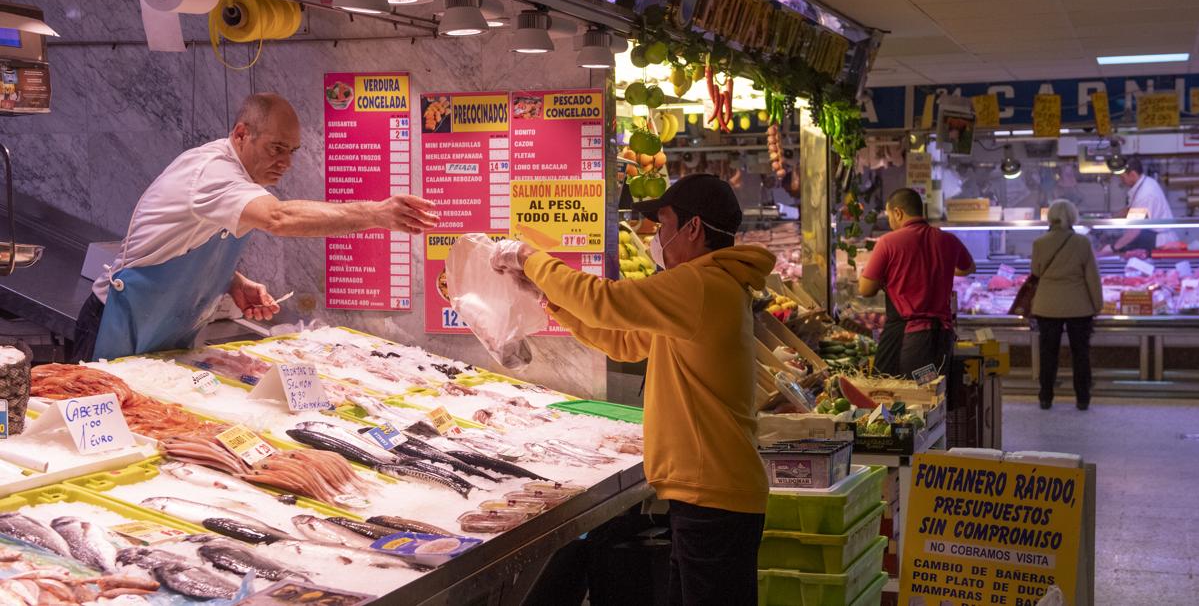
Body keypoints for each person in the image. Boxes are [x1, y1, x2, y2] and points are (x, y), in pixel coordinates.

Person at [492, 174, 774, 606]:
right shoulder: (705, 289)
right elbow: (623, 341)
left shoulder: (699, 284)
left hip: (714, 494)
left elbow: (604, 299)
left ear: (693, 227)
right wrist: (552, 303)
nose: (657, 237)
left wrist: (530, 258)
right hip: (708, 491)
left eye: (663, 224)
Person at [71, 93, 439, 362]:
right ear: (242, 133)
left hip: (164, 331)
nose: (285, 163)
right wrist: (376, 214)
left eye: (292, 151)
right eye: (277, 148)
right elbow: (279, 219)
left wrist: (232, 281)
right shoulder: (212, 172)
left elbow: (183, 240)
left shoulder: (240, 177)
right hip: (115, 324)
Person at [858, 188, 973, 378]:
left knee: (899, 396)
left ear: (898, 212)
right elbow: (968, 268)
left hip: (908, 338)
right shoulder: (948, 239)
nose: (890, 222)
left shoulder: (889, 242)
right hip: (941, 335)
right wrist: (937, 269)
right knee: (933, 394)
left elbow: (865, 289)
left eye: (889, 216)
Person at [1032, 200, 1103, 411]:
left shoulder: (1040, 243)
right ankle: (1082, 398)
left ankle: (1046, 397)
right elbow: (1092, 277)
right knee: (1080, 353)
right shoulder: (1082, 242)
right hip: (1079, 305)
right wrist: (1097, 304)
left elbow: (1035, 271)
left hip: (1047, 305)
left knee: (1048, 353)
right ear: (1072, 217)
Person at [1112, 157, 1178, 252]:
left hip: (1160, 244)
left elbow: (1134, 230)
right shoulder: (1145, 183)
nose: (1121, 181)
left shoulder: (1145, 194)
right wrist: (1112, 217)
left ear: (1133, 175)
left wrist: (1113, 248)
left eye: (1123, 177)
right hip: (1153, 238)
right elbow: (1130, 209)